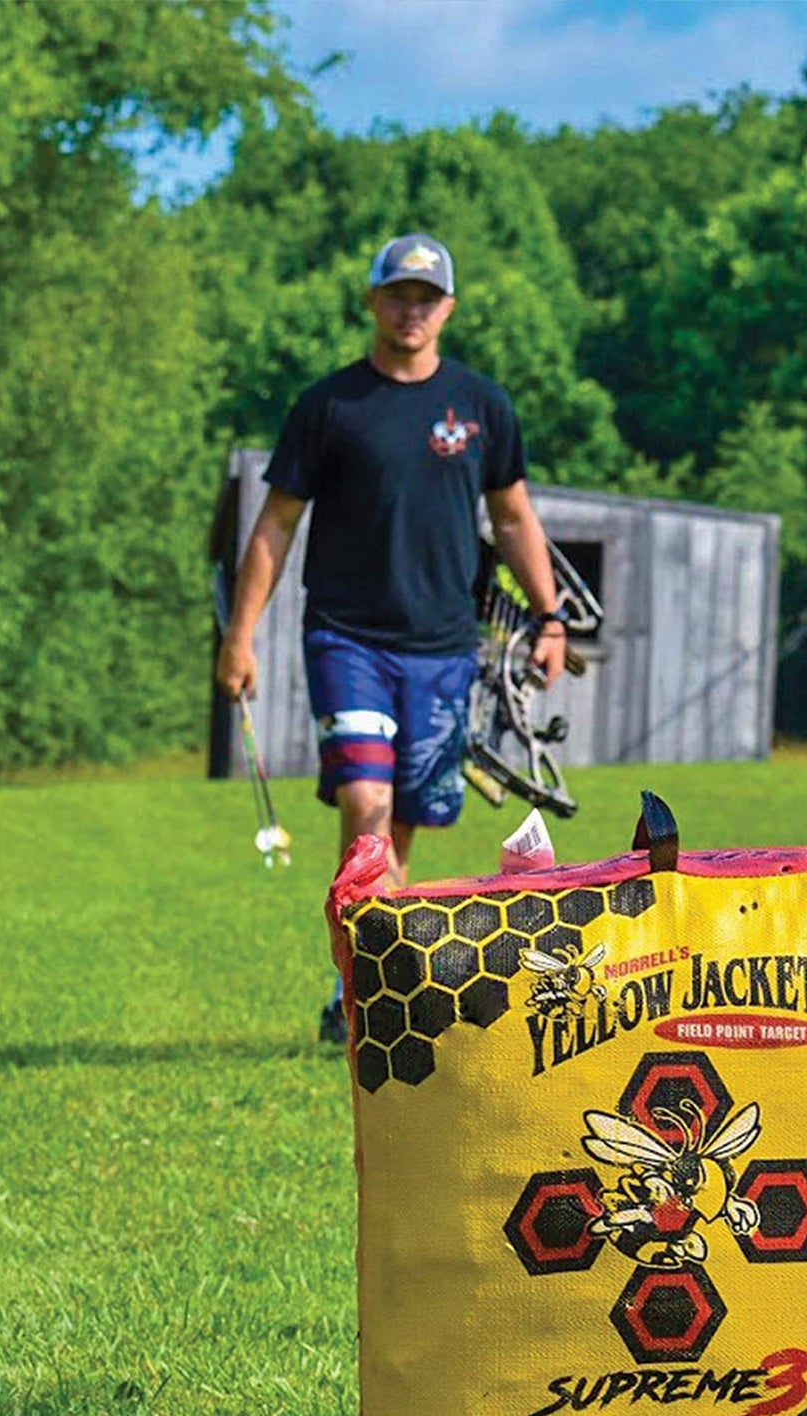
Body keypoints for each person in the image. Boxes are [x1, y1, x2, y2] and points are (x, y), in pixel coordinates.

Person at [215, 232, 567, 1043]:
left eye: (426, 297)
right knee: (366, 803)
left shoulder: (482, 405)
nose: (412, 309)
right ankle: (370, 993)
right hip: (347, 639)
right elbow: (274, 525)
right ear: (372, 301)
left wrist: (548, 618)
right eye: (398, 295)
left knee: (402, 820)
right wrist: (241, 635)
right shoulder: (329, 407)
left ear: (448, 308)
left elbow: (514, 517)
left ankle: (366, 983)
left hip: (444, 646)